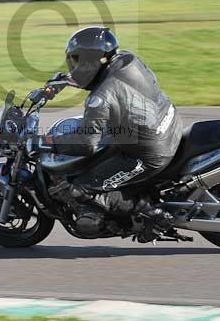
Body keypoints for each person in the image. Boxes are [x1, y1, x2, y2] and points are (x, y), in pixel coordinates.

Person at [40, 26, 184, 235]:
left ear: (92, 60)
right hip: (167, 123)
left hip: (149, 152)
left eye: (78, 60)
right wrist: (66, 80)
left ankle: (149, 213)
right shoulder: (127, 59)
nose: (74, 65)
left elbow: (86, 143)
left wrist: (47, 141)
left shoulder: (100, 99)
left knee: (80, 187)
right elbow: (102, 78)